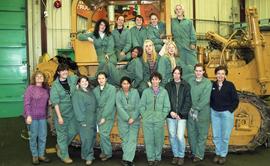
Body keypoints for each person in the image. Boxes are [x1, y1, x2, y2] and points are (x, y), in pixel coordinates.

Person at [139, 72, 171, 166]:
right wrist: (145, 115)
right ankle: (150, 158)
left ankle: (157, 157)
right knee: (148, 140)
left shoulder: (164, 92)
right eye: (153, 79)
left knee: (159, 139)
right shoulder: (146, 92)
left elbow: (167, 106)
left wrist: (162, 116)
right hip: (147, 121)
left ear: (159, 80)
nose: (154, 81)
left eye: (156, 79)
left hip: (159, 121)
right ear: (151, 81)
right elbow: (141, 106)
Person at [210, 66, 239, 165]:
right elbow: (210, 98)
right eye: (218, 73)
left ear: (225, 75)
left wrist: (229, 110)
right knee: (216, 135)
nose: (220, 75)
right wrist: (212, 108)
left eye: (222, 73)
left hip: (226, 114)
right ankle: (217, 153)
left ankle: (223, 155)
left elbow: (236, 100)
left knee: (225, 136)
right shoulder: (212, 85)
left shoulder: (230, 85)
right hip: (215, 113)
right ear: (215, 74)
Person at [50, 63, 78, 164]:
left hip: (72, 111)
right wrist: (59, 117)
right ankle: (64, 155)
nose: (65, 72)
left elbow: (84, 79)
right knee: (62, 134)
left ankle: (60, 146)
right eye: (62, 70)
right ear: (58, 72)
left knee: (73, 131)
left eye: (66, 70)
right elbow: (55, 103)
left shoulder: (73, 79)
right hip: (60, 112)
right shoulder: (55, 85)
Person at [165, 66, 192, 166]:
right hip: (170, 115)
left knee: (180, 136)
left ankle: (181, 156)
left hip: (182, 116)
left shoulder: (186, 85)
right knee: (172, 136)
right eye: (175, 73)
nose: (176, 75)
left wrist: (181, 113)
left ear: (181, 75)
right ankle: (175, 155)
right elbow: (166, 100)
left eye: (178, 73)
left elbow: (188, 101)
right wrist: (170, 111)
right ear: (172, 74)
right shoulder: (168, 86)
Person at [24, 71, 51, 165]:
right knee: (33, 137)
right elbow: (26, 103)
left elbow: (50, 100)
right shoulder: (30, 89)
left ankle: (41, 155)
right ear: (34, 78)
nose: (39, 77)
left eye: (41, 76)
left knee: (43, 136)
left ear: (44, 78)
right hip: (33, 117)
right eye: (37, 76)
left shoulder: (46, 89)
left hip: (43, 116)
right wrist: (28, 116)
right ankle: (35, 156)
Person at [187, 63, 212, 162]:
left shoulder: (207, 83)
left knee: (202, 134)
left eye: (200, 71)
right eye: (196, 71)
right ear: (194, 71)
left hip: (203, 112)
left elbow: (205, 98)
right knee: (191, 133)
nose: (198, 73)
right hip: (190, 111)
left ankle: (199, 154)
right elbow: (187, 95)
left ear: (203, 72)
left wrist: (196, 109)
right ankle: (193, 152)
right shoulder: (190, 81)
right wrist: (190, 108)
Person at [72, 76, 97, 165]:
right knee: (87, 139)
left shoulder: (90, 91)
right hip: (85, 120)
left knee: (92, 137)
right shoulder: (77, 93)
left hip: (93, 119)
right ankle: (88, 156)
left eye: (86, 81)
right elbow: (77, 109)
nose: (85, 82)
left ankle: (84, 154)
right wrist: (82, 121)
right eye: (82, 81)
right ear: (78, 83)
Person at [116, 76, 141, 166]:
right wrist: (127, 118)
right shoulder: (118, 94)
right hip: (123, 120)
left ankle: (127, 160)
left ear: (130, 84)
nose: (126, 85)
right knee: (125, 140)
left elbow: (139, 106)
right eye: (124, 83)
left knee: (132, 140)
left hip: (135, 120)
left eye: (127, 83)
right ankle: (127, 159)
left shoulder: (135, 92)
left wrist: (133, 118)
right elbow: (119, 107)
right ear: (121, 84)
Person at [93, 72, 116, 161]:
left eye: (103, 78)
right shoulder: (95, 90)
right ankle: (103, 151)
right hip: (98, 115)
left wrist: (104, 117)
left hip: (108, 114)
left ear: (106, 79)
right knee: (102, 134)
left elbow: (110, 104)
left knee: (104, 134)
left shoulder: (112, 89)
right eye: (99, 78)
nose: (101, 80)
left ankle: (108, 153)